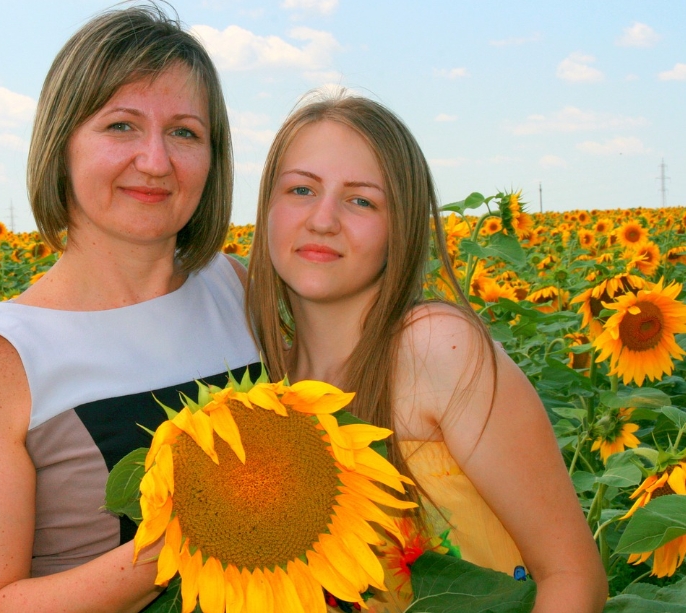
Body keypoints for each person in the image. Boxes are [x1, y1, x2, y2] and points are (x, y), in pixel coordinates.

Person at [0, 6, 259, 612]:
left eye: (185, 132)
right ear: (62, 144)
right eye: (121, 126)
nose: (156, 161)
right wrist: (184, 536)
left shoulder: (234, 286)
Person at [246, 93, 608, 613]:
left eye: (361, 200)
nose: (322, 219)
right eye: (301, 189)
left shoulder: (434, 347)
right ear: (267, 208)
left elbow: (574, 577)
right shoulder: (266, 385)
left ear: (402, 227)